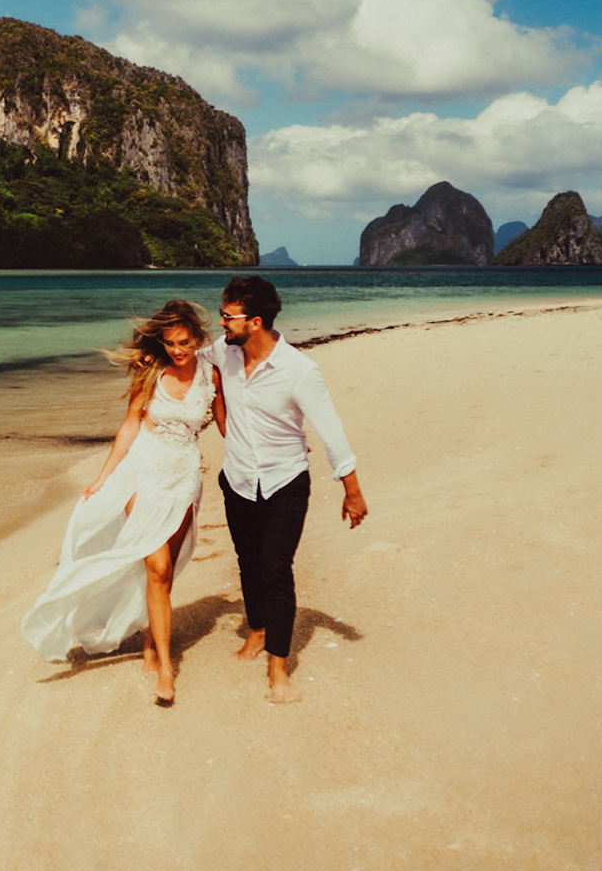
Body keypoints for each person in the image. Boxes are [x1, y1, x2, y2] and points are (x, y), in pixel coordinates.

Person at [21, 300, 224, 706]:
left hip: (184, 475)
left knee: (165, 572)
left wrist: (273, 450)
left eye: (184, 343)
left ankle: (152, 639)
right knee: (158, 564)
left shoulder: (211, 374)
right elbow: (132, 422)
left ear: (198, 340)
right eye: (170, 344)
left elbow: (226, 426)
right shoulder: (153, 372)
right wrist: (103, 475)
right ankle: (166, 668)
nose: (178, 350)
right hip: (143, 470)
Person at [200, 275, 366, 704]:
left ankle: (278, 665)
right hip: (237, 478)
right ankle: (257, 629)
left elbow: (330, 430)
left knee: (275, 567)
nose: (220, 323)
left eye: (227, 316)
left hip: (284, 482)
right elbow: (189, 356)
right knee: (247, 561)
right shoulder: (225, 351)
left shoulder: (299, 370)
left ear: (254, 322)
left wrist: (352, 490)